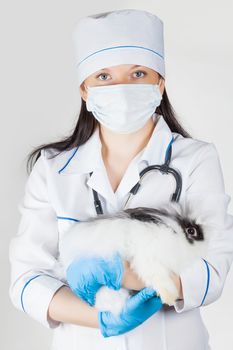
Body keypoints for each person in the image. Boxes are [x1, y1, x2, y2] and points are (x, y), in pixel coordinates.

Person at [9, 8, 233, 350]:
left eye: (138, 73)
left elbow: (213, 269)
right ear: (84, 89)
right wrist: (100, 319)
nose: (122, 88)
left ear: (160, 84)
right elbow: (26, 280)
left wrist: (119, 272)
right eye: (103, 77)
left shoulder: (196, 159)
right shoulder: (52, 169)